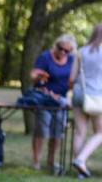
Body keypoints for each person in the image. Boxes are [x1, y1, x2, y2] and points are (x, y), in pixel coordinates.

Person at [30, 34, 76, 174]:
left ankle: (51, 161)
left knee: (57, 131)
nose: (63, 52)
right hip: (44, 98)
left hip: (61, 100)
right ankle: (36, 161)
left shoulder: (72, 60)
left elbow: (73, 80)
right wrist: (40, 77)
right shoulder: (45, 57)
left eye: (67, 51)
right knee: (41, 129)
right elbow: (33, 74)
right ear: (56, 45)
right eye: (60, 48)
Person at [69, 24, 102, 178]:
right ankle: (81, 160)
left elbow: (71, 78)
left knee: (80, 132)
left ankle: (80, 172)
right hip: (97, 96)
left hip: (79, 94)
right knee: (100, 132)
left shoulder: (81, 51)